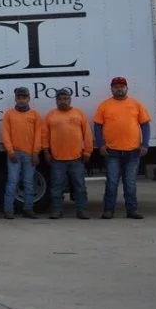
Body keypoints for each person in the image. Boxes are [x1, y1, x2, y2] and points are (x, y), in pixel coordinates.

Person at [93, 76, 151, 219]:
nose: (119, 89)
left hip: (133, 151)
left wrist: (145, 144)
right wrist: (100, 145)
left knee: (130, 183)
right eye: (116, 87)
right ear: (112, 89)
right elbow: (97, 126)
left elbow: (145, 125)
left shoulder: (136, 104)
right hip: (112, 151)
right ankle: (108, 210)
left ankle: (132, 210)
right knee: (112, 182)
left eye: (122, 87)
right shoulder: (105, 105)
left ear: (126, 88)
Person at [44, 88, 93, 220]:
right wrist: (46, 152)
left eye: (65, 99)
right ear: (56, 101)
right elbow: (45, 136)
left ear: (70, 100)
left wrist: (88, 151)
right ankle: (57, 211)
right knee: (57, 187)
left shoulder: (79, 114)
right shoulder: (50, 116)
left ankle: (82, 211)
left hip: (77, 158)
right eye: (60, 99)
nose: (63, 101)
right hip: (57, 159)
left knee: (80, 186)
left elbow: (87, 134)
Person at [2, 87, 42, 219]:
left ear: (28, 98)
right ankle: (8, 210)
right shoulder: (9, 114)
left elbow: (38, 135)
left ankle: (28, 209)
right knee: (12, 182)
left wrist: (35, 152)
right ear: (15, 99)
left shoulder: (35, 115)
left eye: (24, 97)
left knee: (28, 183)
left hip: (30, 155)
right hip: (14, 154)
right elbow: (6, 134)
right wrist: (10, 151)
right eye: (18, 97)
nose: (21, 100)